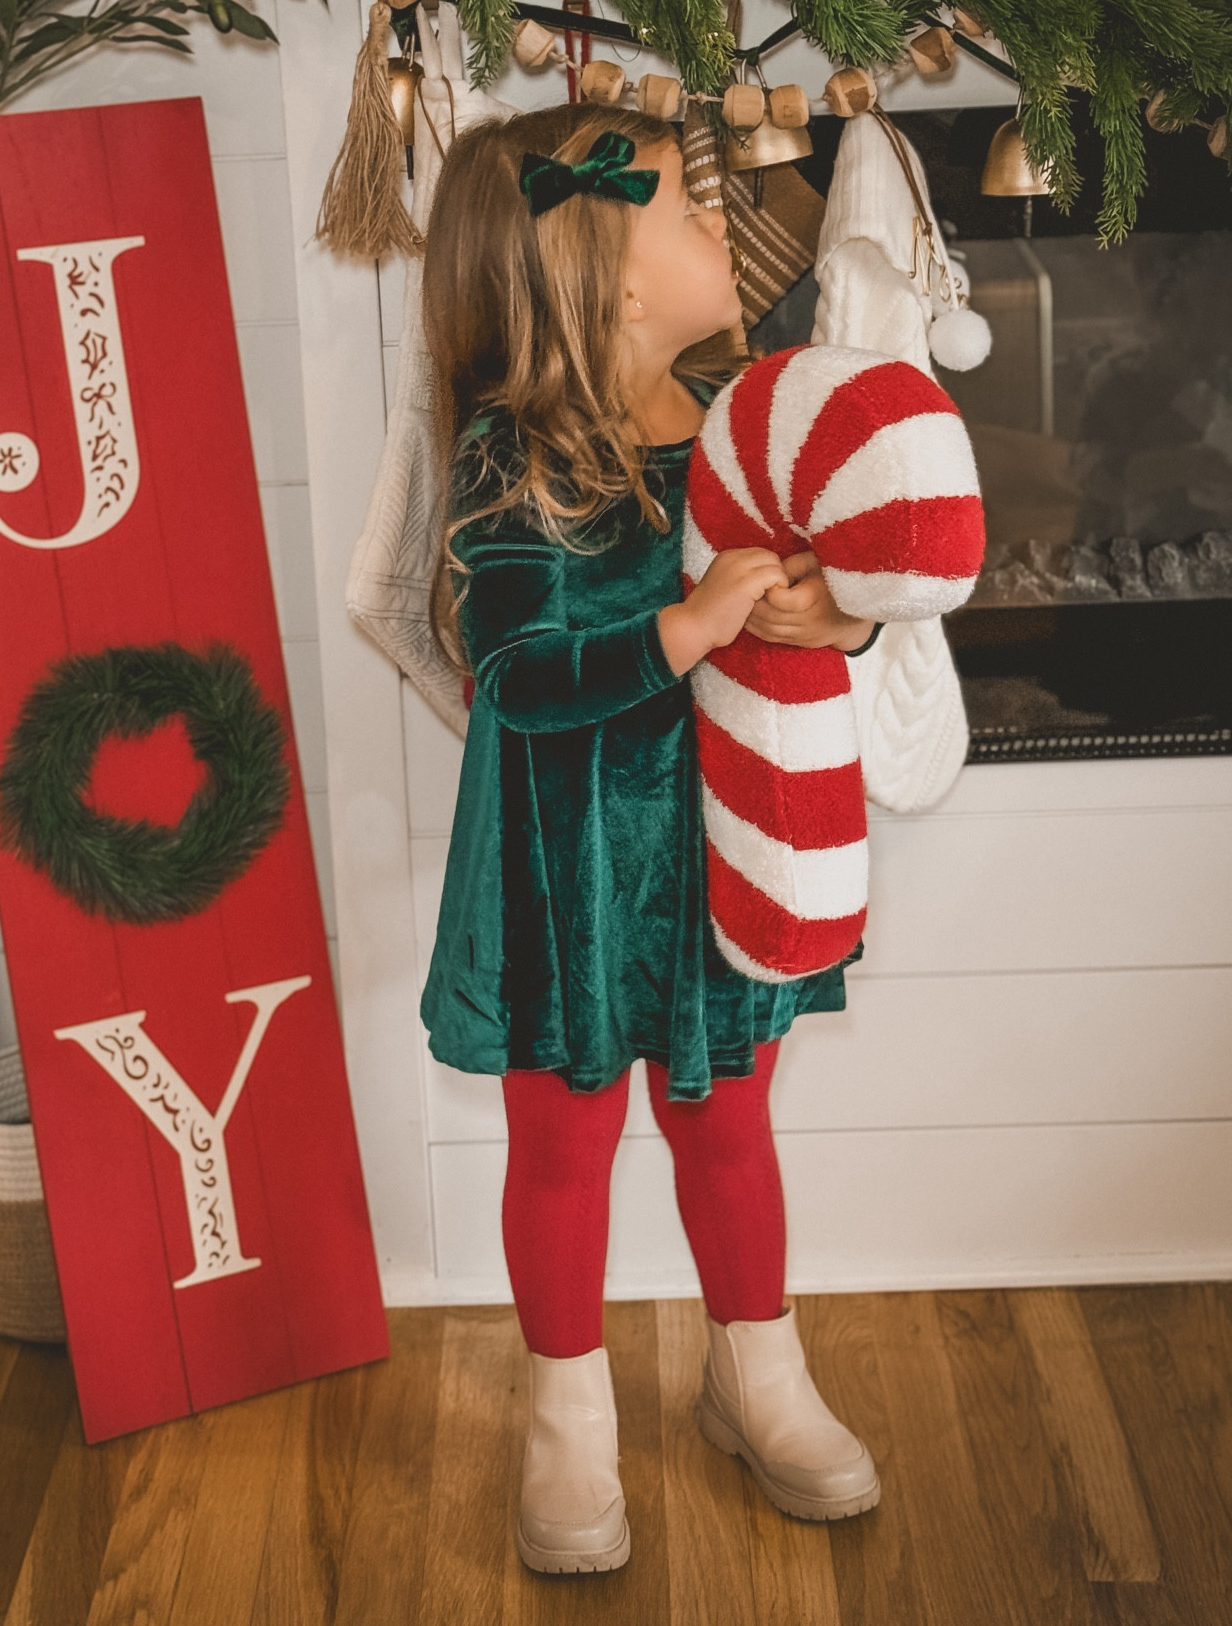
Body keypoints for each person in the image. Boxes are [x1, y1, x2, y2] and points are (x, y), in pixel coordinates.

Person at [420, 103, 882, 1576]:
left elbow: (835, 582)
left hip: (716, 857)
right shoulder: (510, 456)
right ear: (616, 275)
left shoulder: (747, 420)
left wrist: (835, 613)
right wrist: (682, 627)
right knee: (562, 1146)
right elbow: (513, 672)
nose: (726, 231)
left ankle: (760, 1373)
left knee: (728, 1121)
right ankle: (566, 1421)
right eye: (696, 208)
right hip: (564, 877)